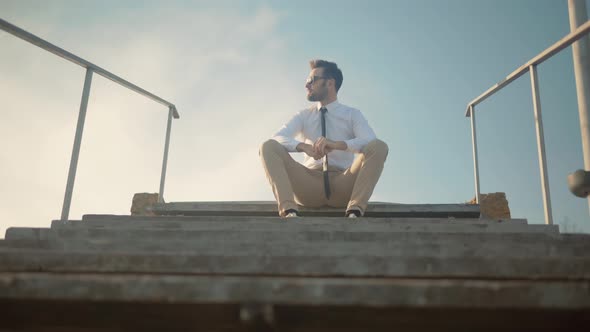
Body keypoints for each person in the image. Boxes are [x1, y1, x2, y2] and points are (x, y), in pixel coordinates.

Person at [259, 59, 388, 218]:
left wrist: (337, 144)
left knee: (379, 146)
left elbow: (369, 141)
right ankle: (289, 211)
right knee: (268, 146)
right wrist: (303, 147)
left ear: (330, 83)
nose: (307, 85)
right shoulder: (304, 115)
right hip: (308, 185)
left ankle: (355, 211)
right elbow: (278, 138)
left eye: (311, 80)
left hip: (343, 183)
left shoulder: (352, 114)